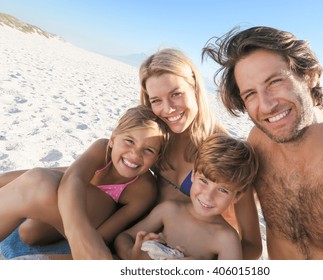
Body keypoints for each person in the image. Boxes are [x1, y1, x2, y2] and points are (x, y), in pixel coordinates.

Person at [0, 48, 262, 260]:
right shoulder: (157, 136)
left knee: (37, 192)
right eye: (155, 100)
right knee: (31, 230)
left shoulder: (225, 154)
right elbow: (97, 169)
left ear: (195, 87)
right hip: (125, 231)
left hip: (156, 245)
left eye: (176, 94)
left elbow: (251, 244)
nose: (168, 109)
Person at [202, 26, 323, 260]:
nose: (267, 105)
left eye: (275, 82)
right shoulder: (258, 143)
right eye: (250, 94)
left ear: (310, 76)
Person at [0, 105, 169, 259]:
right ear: (113, 139)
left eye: (148, 150)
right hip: (71, 212)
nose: (135, 155)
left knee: (37, 183)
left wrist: (80, 237)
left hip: (93, 225)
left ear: (157, 158)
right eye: (129, 141)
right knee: (28, 233)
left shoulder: (144, 189)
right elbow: (69, 174)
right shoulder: (103, 149)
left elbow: (104, 235)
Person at [114, 133, 259, 260]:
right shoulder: (169, 210)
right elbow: (123, 237)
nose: (208, 196)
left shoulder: (226, 239)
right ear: (194, 174)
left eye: (222, 190)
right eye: (203, 181)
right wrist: (130, 254)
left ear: (237, 196)